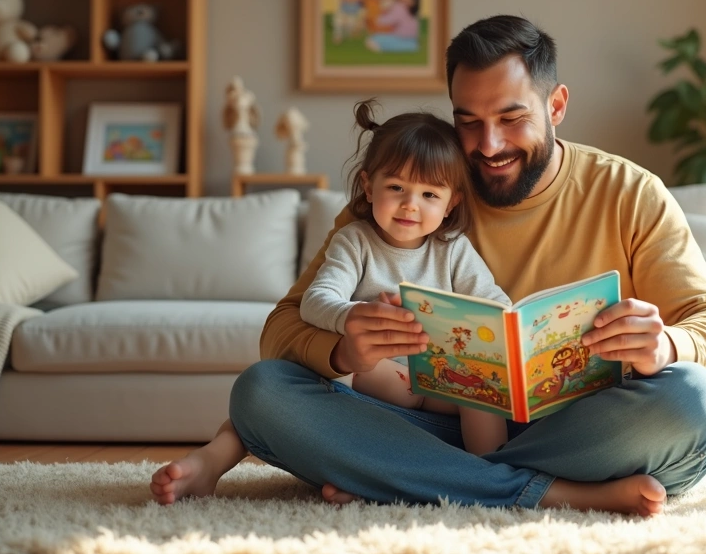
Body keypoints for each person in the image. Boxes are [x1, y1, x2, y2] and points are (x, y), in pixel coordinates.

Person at [167, 15, 706, 517]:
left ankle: (403, 480)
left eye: (512, 118)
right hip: (424, 423)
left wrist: (668, 345)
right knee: (262, 391)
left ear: (557, 105)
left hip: (581, 429)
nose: (488, 144)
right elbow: (280, 332)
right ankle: (547, 493)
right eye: (468, 120)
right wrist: (348, 348)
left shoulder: (629, 192)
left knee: (694, 401)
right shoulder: (413, 192)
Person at [149, 101, 510, 504]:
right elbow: (316, 301)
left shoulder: (453, 250)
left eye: (429, 194)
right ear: (368, 185)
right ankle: (211, 461)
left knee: (485, 389)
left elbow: (494, 303)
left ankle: (486, 476)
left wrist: (508, 329)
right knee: (268, 386)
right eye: (397, 188)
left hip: (443, 389)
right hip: (377, 389)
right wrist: (359, 317)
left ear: (451, 203)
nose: (411, 204)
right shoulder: (355, 241)